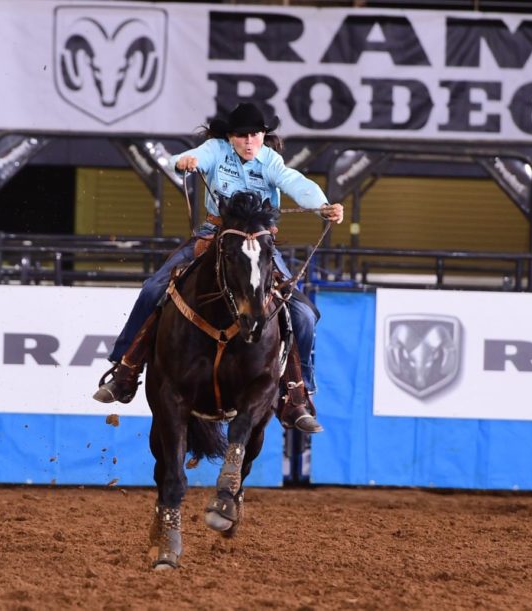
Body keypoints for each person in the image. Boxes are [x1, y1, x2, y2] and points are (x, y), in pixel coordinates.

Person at [93, 103, 344, 433]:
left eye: (255, 134)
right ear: (231, 137)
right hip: (213, 235)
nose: (250, 141)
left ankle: (297, 393)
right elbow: (185, 160)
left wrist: (322, 206)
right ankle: (125, 369)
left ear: (263, 136)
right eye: (242, 135)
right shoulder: (215, 150)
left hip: (257, 242)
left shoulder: (271, 160)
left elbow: (297, 184)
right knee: (153, 289)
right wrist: (183, 162)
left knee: (304, 314)